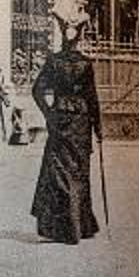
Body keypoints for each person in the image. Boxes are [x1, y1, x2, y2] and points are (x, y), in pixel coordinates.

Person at [29, 13, 102, 245]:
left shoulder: (54, 62)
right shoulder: (86, 64)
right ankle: (81, 225)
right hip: (81, 121)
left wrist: (49, 113)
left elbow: (37, 90)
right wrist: (98, 127)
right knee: (79, 170)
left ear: (63, 37)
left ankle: (63, 227)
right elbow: (92, 98)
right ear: (79, 38)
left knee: (58, 170)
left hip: (60, 118)